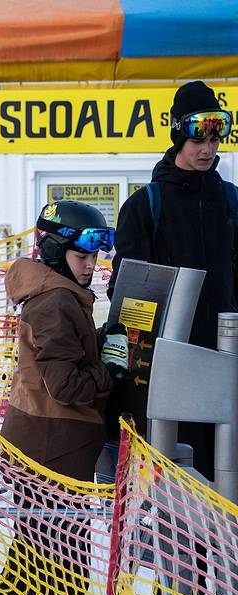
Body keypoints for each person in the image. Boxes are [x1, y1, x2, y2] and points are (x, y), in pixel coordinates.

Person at [0, 201, 127, 595]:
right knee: (62, 570)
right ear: (54, 251)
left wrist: (100, 343)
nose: (90, 265)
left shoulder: (60, 293)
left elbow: (59, 358)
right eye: (81, 255)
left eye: (95, 255)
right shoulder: (55, 301)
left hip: (44, 444)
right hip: (50, 449)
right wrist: (112, 372)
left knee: (34, 561)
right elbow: (66, 386)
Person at [109, 80, 238, 481]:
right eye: (199, 138)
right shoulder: (146, 205)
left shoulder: (231, 201)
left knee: (226, 475)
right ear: (179, 133)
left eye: (217, 139)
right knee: (176, 481)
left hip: (226, 358)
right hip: (170, 370)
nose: (208, 150)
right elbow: (125, 290)